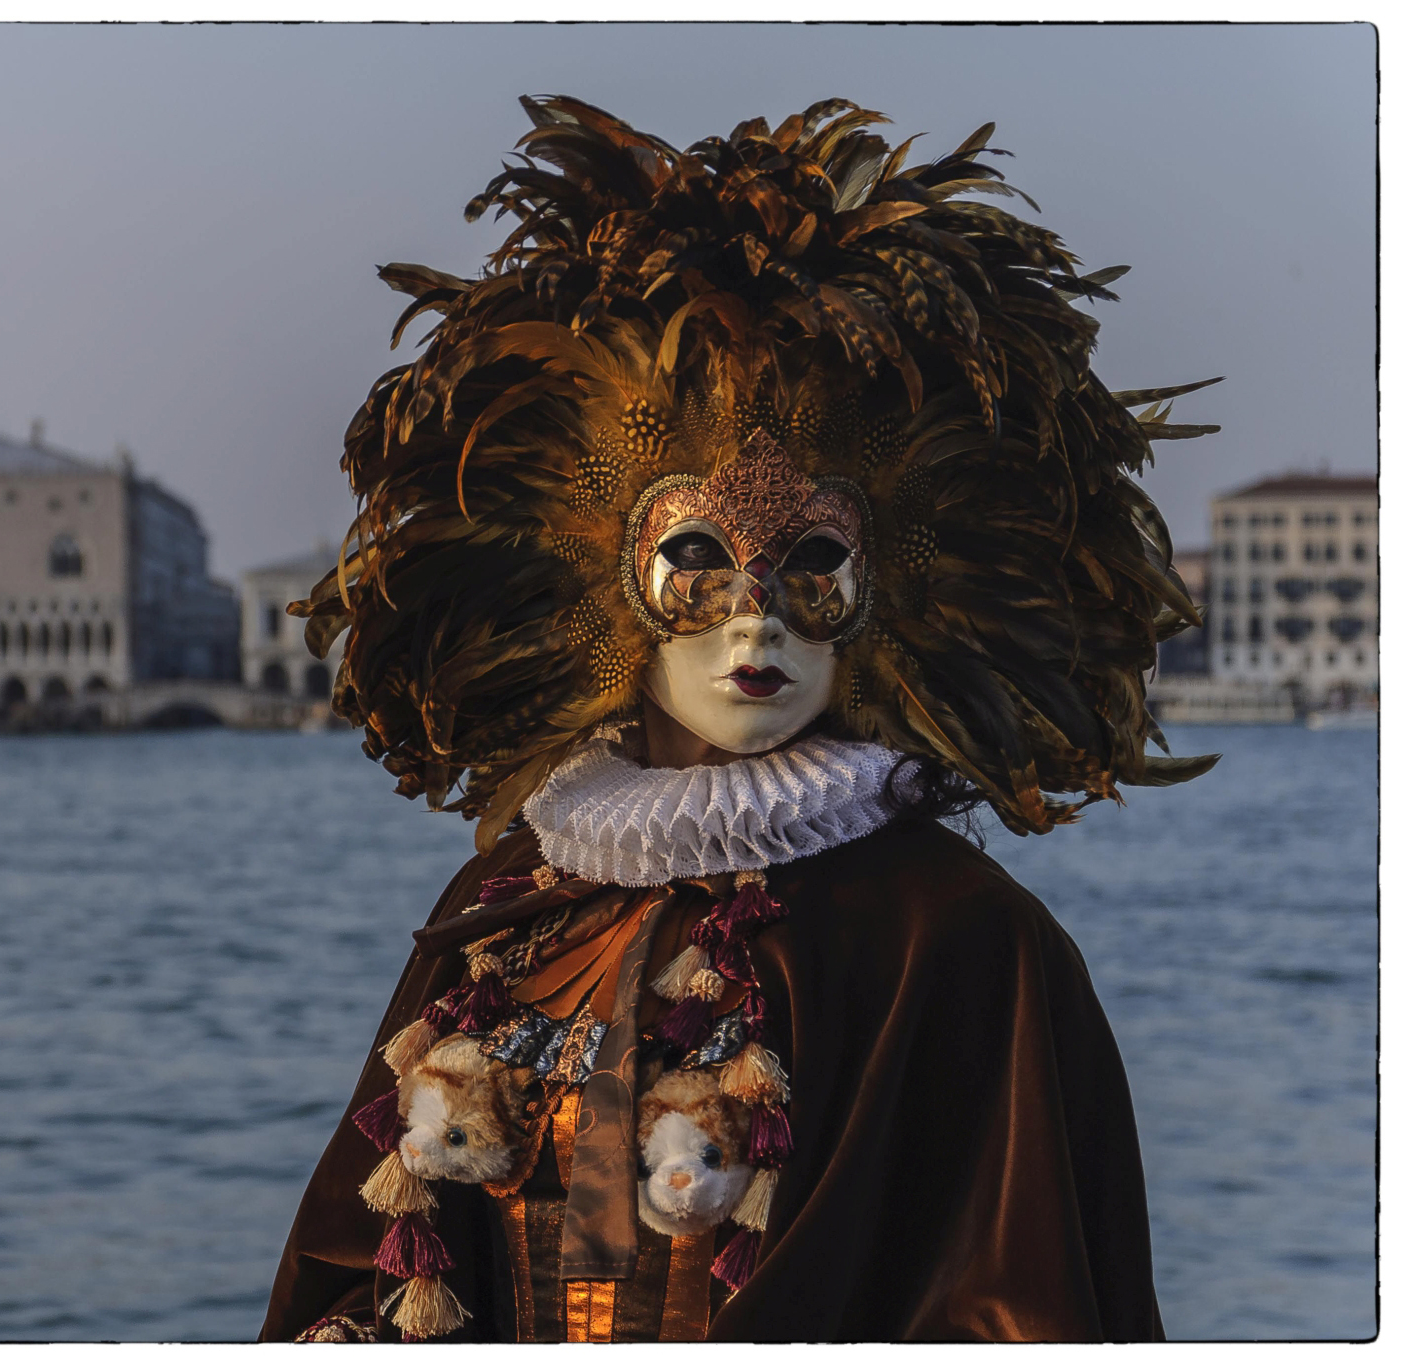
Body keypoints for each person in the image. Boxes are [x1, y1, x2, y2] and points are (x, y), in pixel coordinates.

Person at [259, 96, 1219, 1344]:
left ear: (891, 589)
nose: (752, 617)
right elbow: (363, 1266)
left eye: (812, 562)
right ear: (600, 580)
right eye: (697, 559)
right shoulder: (511, 905)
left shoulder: (964, 944)